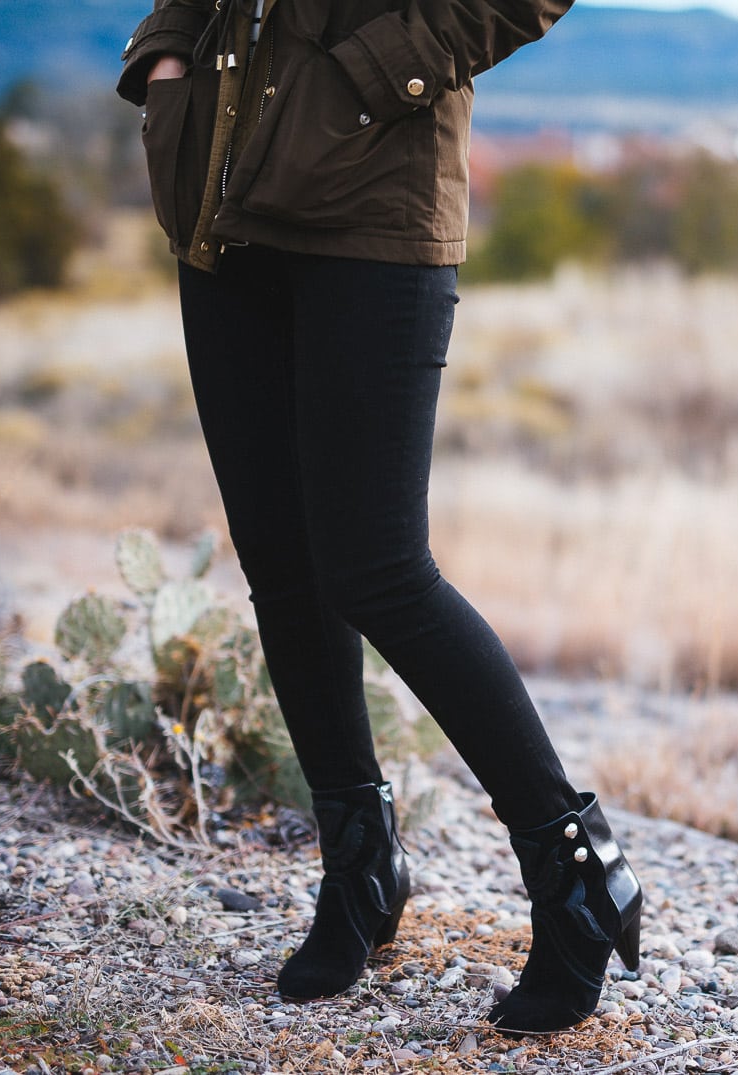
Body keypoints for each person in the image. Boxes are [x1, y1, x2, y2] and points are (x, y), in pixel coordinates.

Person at [115, 0, 642, 1036]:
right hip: (218, 192)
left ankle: (578, 877)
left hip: (374, 205)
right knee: (281, 561)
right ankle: (358, 870)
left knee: (377, 568)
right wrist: (168, 56)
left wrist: (373, 70)